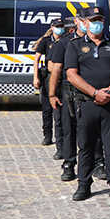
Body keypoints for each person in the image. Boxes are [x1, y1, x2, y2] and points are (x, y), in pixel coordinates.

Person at [65, 6, 110, 202]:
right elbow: (71, 75)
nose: (97, 23)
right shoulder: (75, 45)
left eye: (99, 19)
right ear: (83, 23)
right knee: (85, 146)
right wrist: (94, 93)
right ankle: (84, 184)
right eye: (92, 20)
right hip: (87, 103)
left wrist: (108, 91)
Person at [48, 17, 80, 181]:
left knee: (92, 131)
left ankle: (97, 163)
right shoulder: (64, 42)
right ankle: (69, 165)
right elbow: (54, 68)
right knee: (68, 130)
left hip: (88, 92)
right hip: (68, 91)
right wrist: (52, 94)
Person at [33, 18, 64, 149]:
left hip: (61, 78)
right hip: (47, 78)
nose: (59, 28)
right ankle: (47, 136)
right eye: (57, 26)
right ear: (52, 28)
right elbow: (36, 59)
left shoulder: (65, 40)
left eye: (61, 26)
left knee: (59, 110)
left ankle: (60, 138)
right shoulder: (46, 41)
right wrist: (35, 77)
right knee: (46, 109)